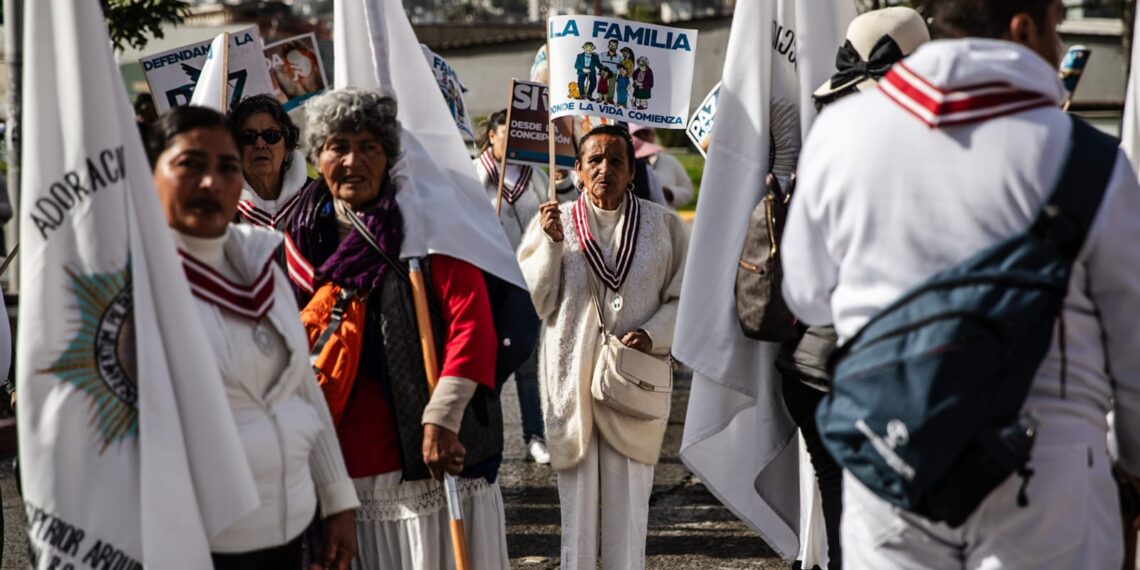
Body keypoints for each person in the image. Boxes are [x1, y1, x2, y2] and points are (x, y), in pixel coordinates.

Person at [781, 1, 1140, 568]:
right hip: (1048, 475)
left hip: (894, 459)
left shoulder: (840, 135)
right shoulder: (1092, 159)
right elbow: (1134, 350)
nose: (1058, 43)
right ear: (1022, 27)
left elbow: (804, 293)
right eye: (1056, 24)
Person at [284, 88, 510, 569]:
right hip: (343, 464)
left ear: (389, 156)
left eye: (368, 146)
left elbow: (474, 326)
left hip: (424, 455)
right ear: (316, 157)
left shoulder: (427, 228)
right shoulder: (301, 240)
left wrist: (442, 418)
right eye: (337, 146)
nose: (352, 160)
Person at [145, 105, 359, 570]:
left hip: (288, 531)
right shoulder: (136, 286)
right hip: (193, 543)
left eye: (226, 166)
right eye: (191, 165)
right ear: (152, 172)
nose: (211, 182)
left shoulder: (261, 262)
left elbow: (300, 387)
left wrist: (337, 499)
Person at [774, 8, 930, 570]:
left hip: (812, 373)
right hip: (865, 376)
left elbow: (803, 285)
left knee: (853, 528)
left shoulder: (830, 151)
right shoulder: (917, 159)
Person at [518, 125, 688, 569]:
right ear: (576, 169)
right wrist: (552, 245)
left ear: (633, 171)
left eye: (616, 160)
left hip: (632, 381)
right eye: (594, 160)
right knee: (576, 515)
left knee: (629, 511)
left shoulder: (662, 224)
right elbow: (538, 300)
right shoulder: (555, 222)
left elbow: (685, 298)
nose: (604, 169)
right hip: (571, 382)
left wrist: (654, 333)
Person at [473, 109, 552, 464]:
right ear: (491, 135)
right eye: (506, 131)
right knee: (488, 360)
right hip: (489, 277)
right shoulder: (474, 174)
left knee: (526, 357)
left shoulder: (533, 172)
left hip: (527, 279)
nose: (513, 138)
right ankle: (483, 434)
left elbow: (556, 203)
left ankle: (534, 434)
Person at [228, 94, 312, 229]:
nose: (260, 144)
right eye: (248, 136)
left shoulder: (317, 199)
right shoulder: (220, 211)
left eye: (271, 135)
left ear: (287, 148)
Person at [628, 124, 695, 209]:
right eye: (637, 134)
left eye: (645, 133)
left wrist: (670, 193)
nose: (642, 137)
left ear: (652, 135)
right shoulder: (626, 165)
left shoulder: (670, 161)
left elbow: (689, 192)